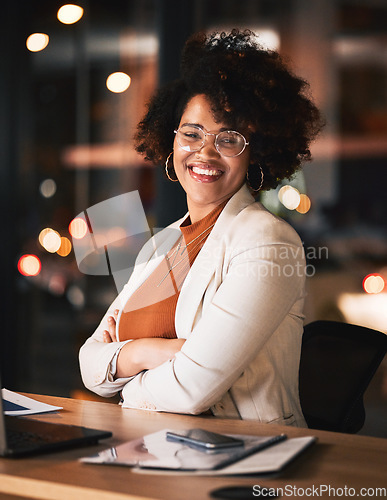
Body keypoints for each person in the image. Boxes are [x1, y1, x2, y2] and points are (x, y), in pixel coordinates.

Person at [79, 29, 322, 426]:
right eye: (191, 133)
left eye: (229, 139)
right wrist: (144, 352)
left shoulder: (268, 241)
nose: (205, 152)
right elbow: (89, 364)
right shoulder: (162, 245)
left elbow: (193, 388)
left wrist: (126, 382)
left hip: (242, 458)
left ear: (255, 153)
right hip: (154, 447)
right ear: (171, 140)